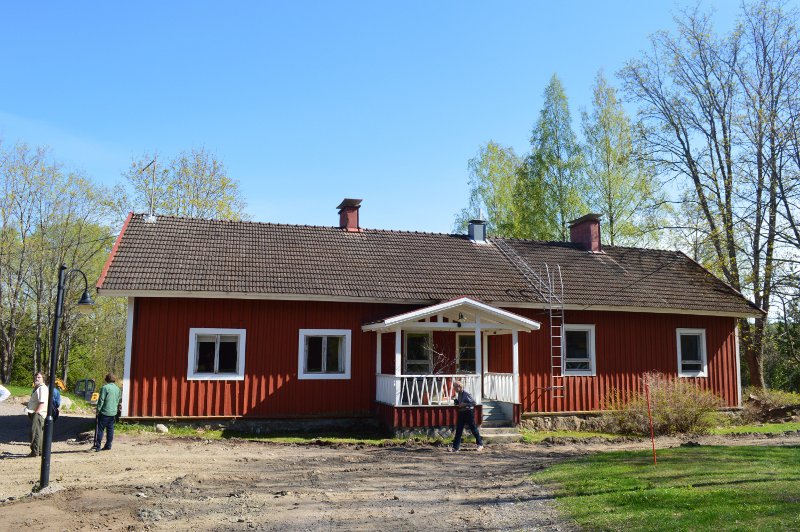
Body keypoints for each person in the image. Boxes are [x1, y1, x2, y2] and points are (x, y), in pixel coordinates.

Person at [449, 379, 483, 452]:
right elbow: (461, 403)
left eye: (455, 387)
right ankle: (455, 447)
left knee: (473, 429)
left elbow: (474, 403)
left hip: (468, 412)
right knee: (459, 430)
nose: (454, 389)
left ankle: (480, 444)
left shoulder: (466, 393)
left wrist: (465, 404)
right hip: (461, 413)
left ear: (459, 386)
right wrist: (456, 402)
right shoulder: (459, 394)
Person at [93, 373, 122, 452]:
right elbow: (118, 400)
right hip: (113, 413)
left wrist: (98, 410)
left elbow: (101, 400)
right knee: (110, 430)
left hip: (104, 412)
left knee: (100, 429)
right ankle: (108, 445)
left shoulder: (105, 388)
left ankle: (98, 446)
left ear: (107, 380)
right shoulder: (117, 389)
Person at [25, 372, 49, 457]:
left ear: (43, 379)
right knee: (39, 433)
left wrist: (36, 412)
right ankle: (39, 451)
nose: (36, 378)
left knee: (35, 433)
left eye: (39, 377)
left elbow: (42, 402)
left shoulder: (42, 388)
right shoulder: (39, 388)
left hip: (39, 413)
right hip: (38, 413)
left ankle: (35, 452)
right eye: (36, 377)